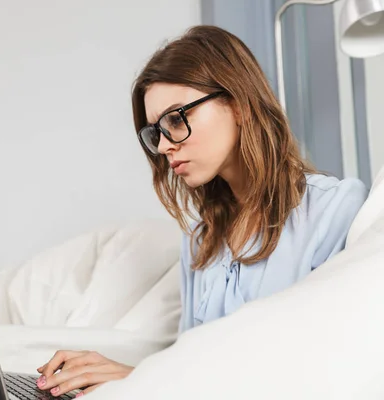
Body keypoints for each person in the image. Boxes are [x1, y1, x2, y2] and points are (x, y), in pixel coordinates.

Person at [33, 25, 368, 398]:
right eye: (154, 132)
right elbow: (191, 369)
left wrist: (136, 379)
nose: (161, 147)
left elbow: (314, 367)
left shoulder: (335, 209)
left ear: (238, 105)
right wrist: (124, 376)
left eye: (176, 119)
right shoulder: (201, 241)